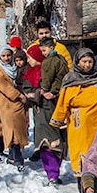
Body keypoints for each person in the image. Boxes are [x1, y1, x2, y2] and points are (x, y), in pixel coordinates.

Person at [51, 48, 97, 193]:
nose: (87, 65)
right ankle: (83, 185)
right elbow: (62, 102)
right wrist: (58, 122)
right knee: (81, 154)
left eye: (90, 62)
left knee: (96, 153)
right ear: (77, 62)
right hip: (78, 125)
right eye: (84, 61)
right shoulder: (70, 79)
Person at [33, 37, 69, 185]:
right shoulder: (62, 60)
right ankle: (55, 171)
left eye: (44, 50)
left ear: (49, 48)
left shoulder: (48, 62)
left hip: (50, 100)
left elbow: (47, 80)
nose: (43, 53)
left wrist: (45, 90)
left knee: (49, 138)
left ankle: (52, 174)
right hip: (61, 96)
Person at [0, 45, 29, 170]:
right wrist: (18, 95)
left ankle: (13, 156)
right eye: (3, 56)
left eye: (8, 55)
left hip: (18, 104)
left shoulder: (15, 68)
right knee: (12, 130)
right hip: (7, 104)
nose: (6, 58)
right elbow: (3, 86)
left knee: (19, 128)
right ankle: (18, 158)